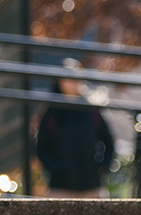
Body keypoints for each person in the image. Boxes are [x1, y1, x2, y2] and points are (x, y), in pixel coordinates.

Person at [35, 59, 116, 198]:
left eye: (77, 79)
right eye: (69, 79)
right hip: (60, 188)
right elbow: (41, 148)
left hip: (91, 186)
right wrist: (56, 169)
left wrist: (101, 168)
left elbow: (109, 143)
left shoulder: (92, 111)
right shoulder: (51, 113)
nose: (74, 84)